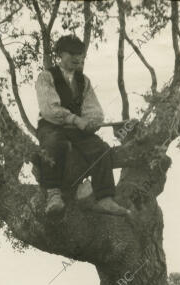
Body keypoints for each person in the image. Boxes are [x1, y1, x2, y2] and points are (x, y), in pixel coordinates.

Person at [35, 34, 129, 216]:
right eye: (72, 54)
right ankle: (53, 194)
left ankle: (105, 198)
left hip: (76, 129)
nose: (77, 58)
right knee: (53, 144)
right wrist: (76, 120)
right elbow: (49, 109)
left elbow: (92, 107)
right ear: (61, 54)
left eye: (80, 54)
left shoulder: (83, 80)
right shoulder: (46, 77)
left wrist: (92, 121)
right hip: (52, 125)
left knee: (101, 149)